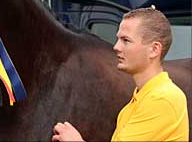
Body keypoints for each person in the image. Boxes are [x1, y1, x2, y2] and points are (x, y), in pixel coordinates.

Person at [52, 7, 189, 141]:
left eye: (126, 40)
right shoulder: (138, 101)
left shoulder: (162, 99)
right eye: (118, 39)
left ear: (154, 49)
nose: (116, 47)